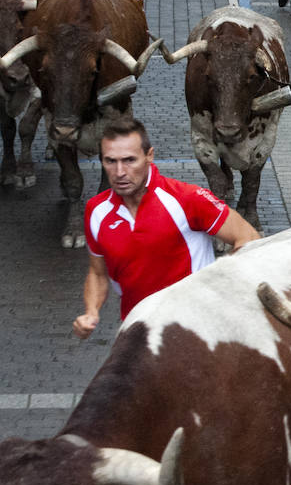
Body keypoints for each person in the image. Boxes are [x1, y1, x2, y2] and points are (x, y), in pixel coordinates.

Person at [73, 116, 259, 339]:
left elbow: (249, 238)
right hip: (137, 334)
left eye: (130, 160)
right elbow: (97, 272)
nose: (120, 172)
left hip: (197, 332)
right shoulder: (96, 210)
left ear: (149, 156)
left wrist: (218, 286)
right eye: (110, 161)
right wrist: (91, 312)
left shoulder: (187, 199)